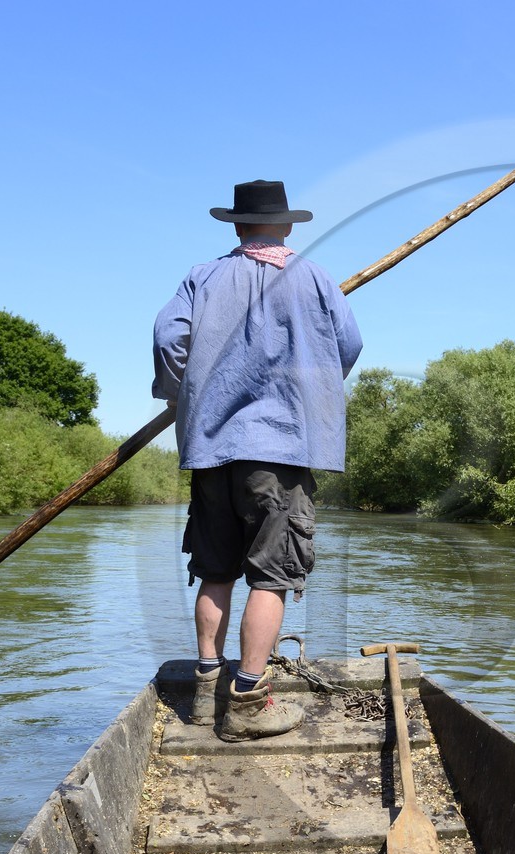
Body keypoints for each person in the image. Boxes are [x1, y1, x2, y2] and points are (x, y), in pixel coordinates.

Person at [152, 180, 362, 741]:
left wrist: (183, 394)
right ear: (287, 226)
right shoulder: (315, 278)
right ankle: (246, 701)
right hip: (283, 448)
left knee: (215, 570)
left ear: (236, 226)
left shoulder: (203, 277)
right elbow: (349, 345)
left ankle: (204, 690)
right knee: (270, 578)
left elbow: (168, 339)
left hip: (212, 448)